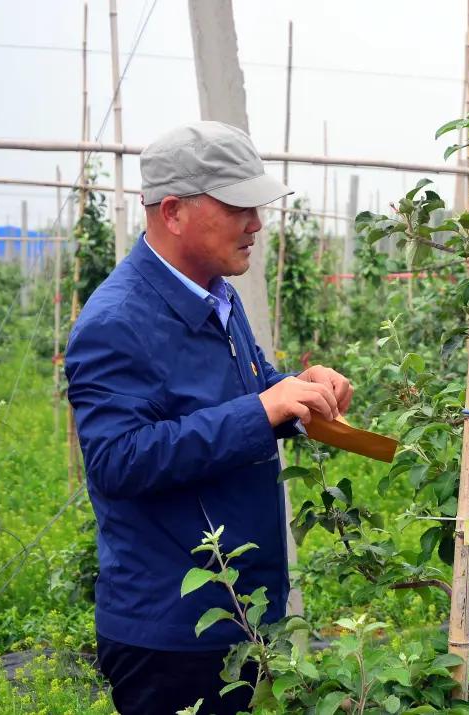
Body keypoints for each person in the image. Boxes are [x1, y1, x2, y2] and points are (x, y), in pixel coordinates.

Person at [65, 121, 353, 714]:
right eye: (238, 207)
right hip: (174, 632)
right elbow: (117, 461)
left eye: (258, 205)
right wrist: (260, 411)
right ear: (172, 211)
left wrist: (296, 393)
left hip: (238, 612)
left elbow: (246, 386)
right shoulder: (116, 322)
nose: (257, 223)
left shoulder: (217, 292)